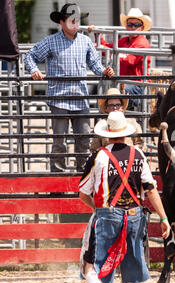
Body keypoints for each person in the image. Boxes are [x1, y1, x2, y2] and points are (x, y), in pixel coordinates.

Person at [79, 111, 170, 283]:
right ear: (125, 133)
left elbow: (83, 193)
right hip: (135, 214)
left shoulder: (98, 156)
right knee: (134, 259)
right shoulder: (138, 154)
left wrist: (97, 210)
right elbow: (151, 189)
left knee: (92, 263)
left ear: (107, 133)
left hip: (108, 214)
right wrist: (163, 218)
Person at [24, 3, 115, 172]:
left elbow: (94, 63)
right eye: (71, 21)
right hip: (59, 98)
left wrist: (103, 70)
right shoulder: (51, 42)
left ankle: (84, 177)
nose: (75, 24)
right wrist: (35, 70)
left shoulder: (86, 41)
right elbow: (30, 56)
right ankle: (58, 179)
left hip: (81, 98)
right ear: (62, 22)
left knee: (84, 140)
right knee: (60, 141)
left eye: (77, 21)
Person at [89, 8, 152, 111]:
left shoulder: (142, 43)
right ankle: (105, 120)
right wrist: (97, 33)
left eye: (136, 25)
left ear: (142, 27)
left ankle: (110, 117)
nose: (133, 27)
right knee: (101, 90)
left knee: (113, 92)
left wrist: (111, 51)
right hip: (123, 82)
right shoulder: (124, 40)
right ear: (126, 26)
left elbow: (129, 61)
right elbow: (107, 48)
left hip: (138, 85)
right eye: (130, 24)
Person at [90, 87, 146, 152]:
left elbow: (141, 144)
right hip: (108, 159)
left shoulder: (132, 123)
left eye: (118, 105)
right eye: (111, 105)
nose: (115, 108)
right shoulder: (101, 126)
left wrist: (129, 154)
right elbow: (94, 149)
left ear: (122, 107)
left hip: (128, 159)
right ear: (106, 108)